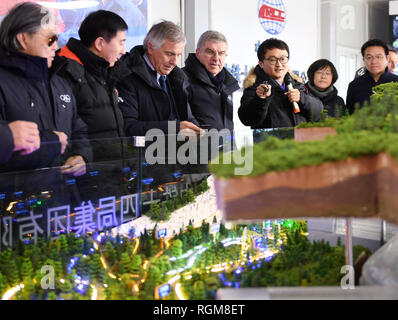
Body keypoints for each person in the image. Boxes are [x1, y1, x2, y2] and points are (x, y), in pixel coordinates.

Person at [0, 2, 91, 174]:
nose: (56, 47)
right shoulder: (3, 82)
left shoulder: (59, 82)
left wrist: (82, 155)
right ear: (23, 38)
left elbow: (79, 129)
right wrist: (51, 144)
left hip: (62, 194)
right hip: (14, 196)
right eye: (50, 39)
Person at [55, 10, 129, 162]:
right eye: (121, 42)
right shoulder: (67, 71)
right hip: (86, 173)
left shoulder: (106, 72)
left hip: (112, 170)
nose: (124, 50)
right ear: (100, 43)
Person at [117, 20, 201, 136]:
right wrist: (174, 128)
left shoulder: (178, 78)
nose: (174, 62)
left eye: (178, 55)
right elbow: (128, 127)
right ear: (151, 48)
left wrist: (200, 134)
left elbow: (187, 119)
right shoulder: (127, 76)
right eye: (169, 54)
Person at [238, 38, 323, 129]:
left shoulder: (296, 84)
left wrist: (301, 98)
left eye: (283, 59)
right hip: (271, 143)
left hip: (300, 142)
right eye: (272, 60)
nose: (279, 64)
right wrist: (261, 100)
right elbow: (246, 119)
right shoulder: (256, 87)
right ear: (261, 63)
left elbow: (319, 112)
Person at [183, 30, 239, 131]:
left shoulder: (227, 82)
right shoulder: (182, 79)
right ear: (197, 52)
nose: (216, 58)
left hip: (226, 146)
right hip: (196, 145)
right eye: (210, 52)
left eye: (221, 53)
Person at [347, 39, 398, 114]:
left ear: (387, 59)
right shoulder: (354, 86)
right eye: (369, 57)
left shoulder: (396, 82)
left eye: (378, 57)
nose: (374, 61)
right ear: (364, 60)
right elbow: (351, 113)